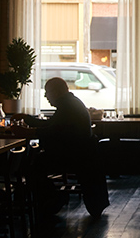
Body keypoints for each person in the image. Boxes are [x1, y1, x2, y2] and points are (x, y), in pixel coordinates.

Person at [18, 77, 109, 217]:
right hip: (82, 154)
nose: (45, 96)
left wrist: (28, 131)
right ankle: (53, 199)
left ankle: (53, 200)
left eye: (47, 92)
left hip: (73, 156)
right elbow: (51, 125)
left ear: (57, 91)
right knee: (35, 163)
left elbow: (52, 130)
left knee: (31, 166)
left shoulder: (67, 106)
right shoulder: (70, 103)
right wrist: (27, 119)